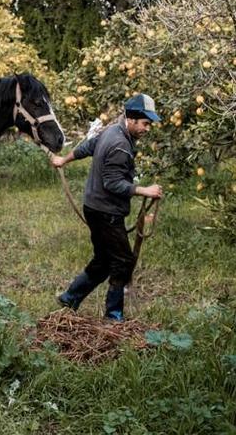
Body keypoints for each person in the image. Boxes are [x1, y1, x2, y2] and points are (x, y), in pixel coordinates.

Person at [51, 93, 163, 321]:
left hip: (93, 207)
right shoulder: (120, 145)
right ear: (131, 119)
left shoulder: (112, 130)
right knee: (122, 261)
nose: (147, 129)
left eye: (149, 124)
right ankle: (114, 317)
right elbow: (113, 183)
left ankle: (70, 298)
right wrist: (145, 190)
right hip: (106, 213)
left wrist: (64, 159)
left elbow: (89, 146)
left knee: (103, 260)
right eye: (144, 123)